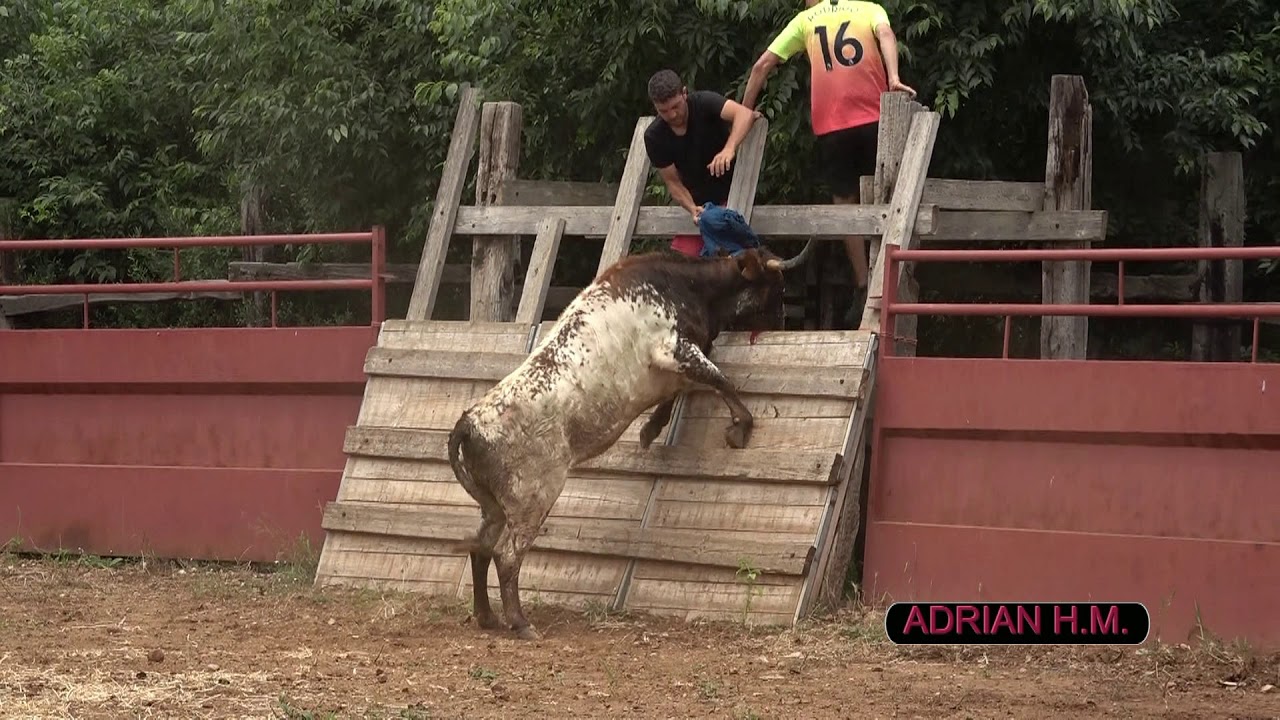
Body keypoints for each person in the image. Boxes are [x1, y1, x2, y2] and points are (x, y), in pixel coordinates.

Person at [741, 0, 915, 328]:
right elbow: (887, 35)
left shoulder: (806, 19)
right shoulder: (868, 8)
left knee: (844, 201)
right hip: (877, 116)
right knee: (888, 196)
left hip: (833, 123)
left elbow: (762, 65)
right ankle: (890, 278)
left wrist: (743, 110)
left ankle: (864, 284)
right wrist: (893, 77)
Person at [643, 69, 760, 257]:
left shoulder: (704, 102)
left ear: (684, 93)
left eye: (676, 106)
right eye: (663, 111)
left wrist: (729, 149)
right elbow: (673, 183)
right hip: (700, 205)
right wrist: (692, 209)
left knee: (736, 259)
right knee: (683, 262)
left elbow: (745, 114)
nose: (672, 115)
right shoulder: (654, 136)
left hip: (735, 194)